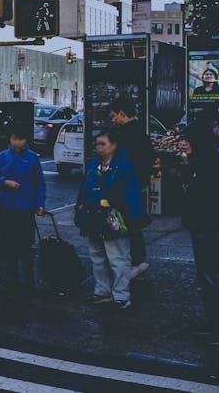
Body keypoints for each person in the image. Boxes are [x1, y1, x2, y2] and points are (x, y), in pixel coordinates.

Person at [75, 131, 144, 310]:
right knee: (97, 257)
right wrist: (79, 212)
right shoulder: (93, 165)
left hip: (115, 220)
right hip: (93, 218)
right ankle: (102, 292)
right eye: (97, 144)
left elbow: (133, 195)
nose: (98, 147)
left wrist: (133, 219)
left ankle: (121, 295)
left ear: (114, 145)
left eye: (102, 144)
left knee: (118, 258)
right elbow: (83, 191)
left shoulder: (125, 167)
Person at [182, 122, 219, 346]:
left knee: (212, 277)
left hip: (208, 229)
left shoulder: (211, 167)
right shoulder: (205, 163)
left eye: (187, 140)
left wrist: (204, 224)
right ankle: (215, 324)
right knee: (210, 277)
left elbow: (217, 202)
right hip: (206, 228)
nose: (183, 144)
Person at [0, 127, 46, 290]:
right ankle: (11, 278)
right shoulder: (2, 156)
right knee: (9, 244)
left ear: (26, 140)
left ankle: (28, 279)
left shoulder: (32, 158)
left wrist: (40, 203)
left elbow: (40, 183)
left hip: (26, 208)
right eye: (14, 138)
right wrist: (5, 182)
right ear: (10, 139)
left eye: (20, 139)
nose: (17, 142)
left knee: (26, 245)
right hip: (6, 207)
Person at [108, 97, 153, 280]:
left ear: (122, 113)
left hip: (126, 188)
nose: (112, 119)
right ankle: (138, 262)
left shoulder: (124, 135)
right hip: (139, 186)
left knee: (125, 225)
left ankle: (133, 264)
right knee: (134, 225)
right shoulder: (141, 132)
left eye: (113, 116)